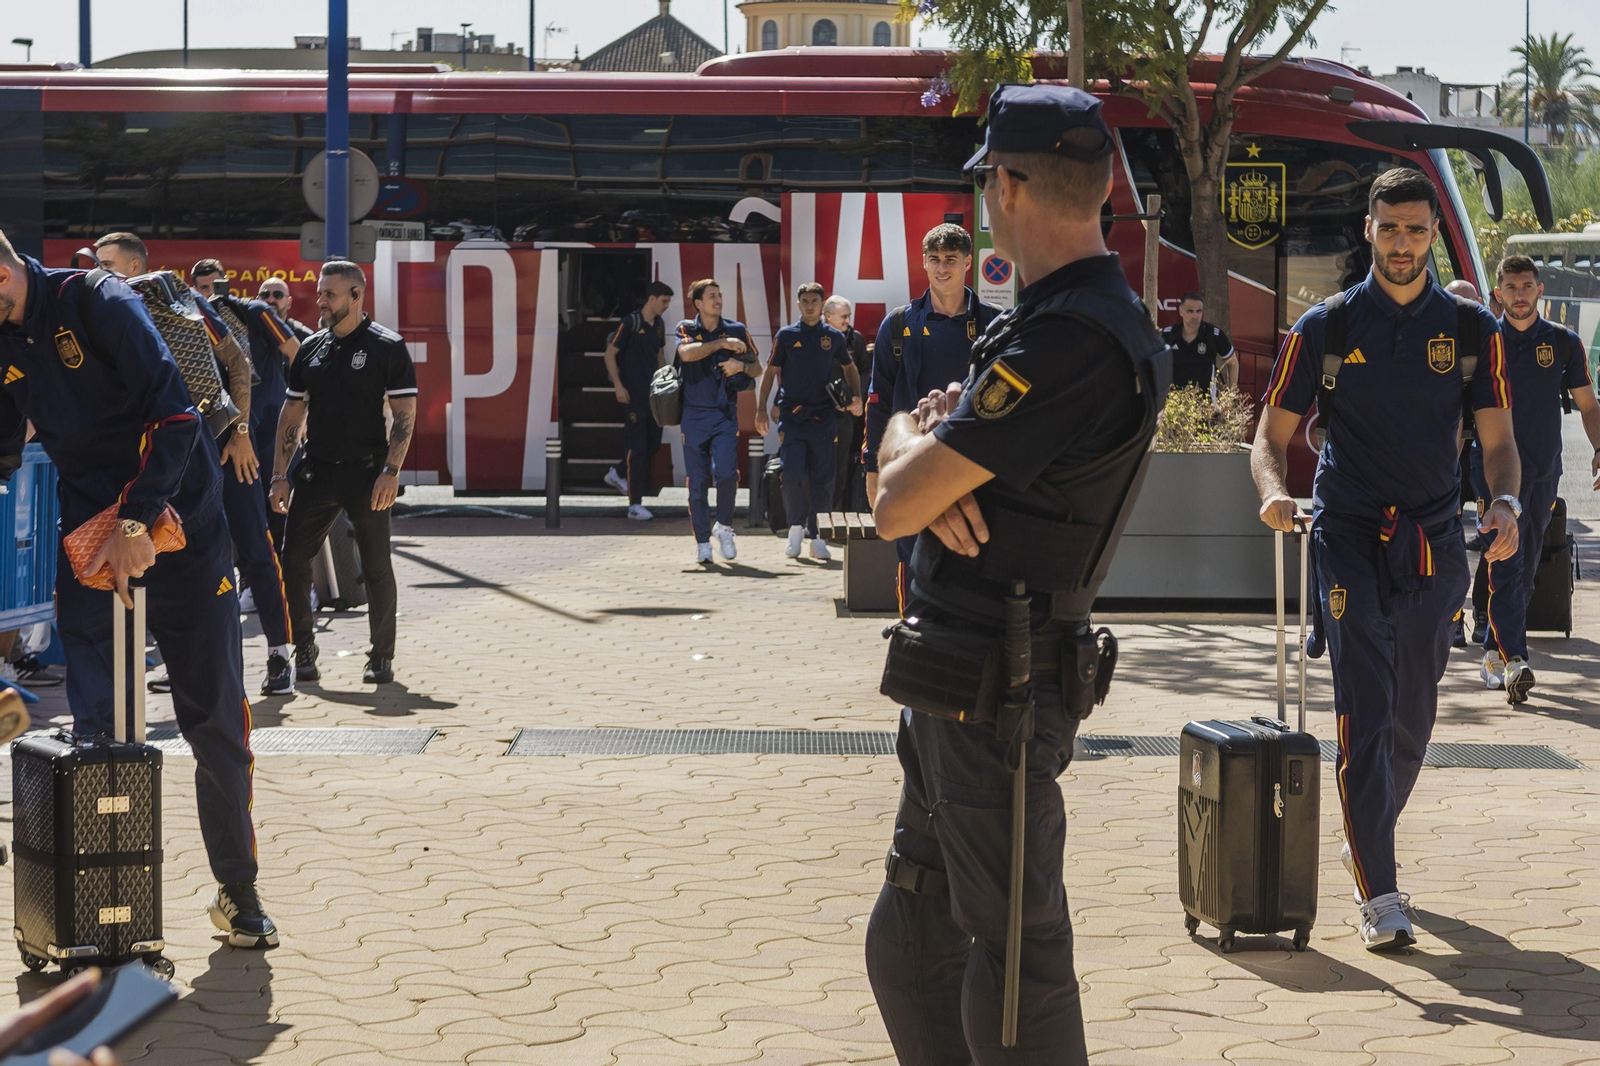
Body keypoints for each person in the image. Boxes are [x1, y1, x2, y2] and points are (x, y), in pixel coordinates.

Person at [865, 85, 1169, 1064]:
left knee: (1015, 973)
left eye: (986, 186)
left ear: (1007, 185)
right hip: (959, 682)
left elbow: (892, 503)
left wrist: (913, 443)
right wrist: (924, 440)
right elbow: (913, 475)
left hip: (998, 694)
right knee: (911, 940)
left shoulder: (1070, 339)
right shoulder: (1050, 320)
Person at [1251, 167, 1520, 952]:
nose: (1403, 244)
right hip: (1346, 533)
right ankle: (1382, 893)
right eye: (1389, 228)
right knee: (1366, 710)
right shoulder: (1326, 328)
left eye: (1416, 230)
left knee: (1413, 713)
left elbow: (1499, 445)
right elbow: (1269, 440)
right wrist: (1273, 492)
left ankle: (1366, 827)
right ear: (1367, 231)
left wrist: (1503, 504)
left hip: (1435, 541)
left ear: (1433, 235)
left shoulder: (1474, 332)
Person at [0, 228, 279, 949]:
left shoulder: (96, 299)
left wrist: (137, 518)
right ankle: (101, 910)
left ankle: (239, 893)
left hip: (179, 523)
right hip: (92, 538)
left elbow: (178, 414)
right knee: (97, 729)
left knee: (212, 712)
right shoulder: (6, 335)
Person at [269, 261, 416, 686]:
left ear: (356, 296)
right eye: (319, 293)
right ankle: (304, 648)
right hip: (316, 472)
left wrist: (391, 471)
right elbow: (291, 415)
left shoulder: (388, 347)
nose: (320, 301)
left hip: (368, 474)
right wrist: (280, 475)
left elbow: (406, 415)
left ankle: (381, 656)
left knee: (375, 566)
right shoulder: (311, 348)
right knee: (293, 559)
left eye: (329, 294)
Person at [1469, 256, 1600, 701]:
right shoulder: (1484, 342)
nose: (1520, 295)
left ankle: (1493, 652)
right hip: (1492, 474)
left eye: (1527, 286)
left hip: (1543, 473)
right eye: (1511, 287)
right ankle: (1516, 662)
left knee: (1524, 573)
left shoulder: (1562, 343)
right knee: (1505, 562)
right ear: (1498, 293)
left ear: (1540, 290)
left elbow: (1589, 406)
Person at [866, 224, 1002, 611]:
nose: (942, 268)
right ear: (924, 262)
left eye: (951, 260)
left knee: (974, 565)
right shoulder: (898, 325)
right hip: (911, 467)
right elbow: (879, 404)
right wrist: (872, 473)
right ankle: (913, 639)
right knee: (913, 568)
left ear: (968, 262)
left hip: (974, 469)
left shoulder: (994, 325)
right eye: (935, 260)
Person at [192, 258, 302, 696]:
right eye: (198, 289)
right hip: (198, 450)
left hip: (248, 451)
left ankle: (280, 654)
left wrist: (295, 418)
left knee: (258, 547)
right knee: (194, 555)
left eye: (212, 288)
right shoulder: (173, 319)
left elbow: (296, 358)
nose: (205, 296)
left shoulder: (252, 314)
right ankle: (198, 658)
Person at [755, 283, 862, 559]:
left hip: (825, 417)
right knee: (791, 474)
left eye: (815, 300)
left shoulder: (833, 337)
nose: (810, 305)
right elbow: (769, 372)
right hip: (793, 417)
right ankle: (794, 528)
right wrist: (761, 408)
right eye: (805, 301)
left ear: (821, 303)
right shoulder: (787, 335)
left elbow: (850, 368)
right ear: (798, 304)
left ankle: (818, 537)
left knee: (823, 479)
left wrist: (857, 397)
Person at [674, 279, 758, 564]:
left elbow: (758, 367)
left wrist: (740, 365)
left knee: (726, 474)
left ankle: (723, 527)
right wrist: (721, 344)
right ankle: (702, 543)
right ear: (698, 303)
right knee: (697, 483)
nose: (719, 300)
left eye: (720, 295)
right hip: (693, 414)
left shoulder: (737, 329)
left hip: (724, 414)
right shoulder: (686, 328)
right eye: (712, 296)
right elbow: (686, 353)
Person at [600, 280, 674, 520]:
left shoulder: (659, 325)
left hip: (653, 395)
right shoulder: (630, 322)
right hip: (632, 395)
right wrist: (618, 386)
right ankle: (634, 504)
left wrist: (666, 384)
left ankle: (618, 473)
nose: (666, 306)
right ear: (652, 299)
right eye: (664, 301)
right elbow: (610, 355)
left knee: (653, 445)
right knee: (638, 448)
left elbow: (660, 354)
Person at [823, 294, 871, 510]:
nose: (847, 321)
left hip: (846, 414)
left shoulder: (855, 339)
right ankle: (814, 516)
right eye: (842, 317)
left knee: (842, 465)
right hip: (820, 412)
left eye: (848, 316)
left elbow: (864, 372)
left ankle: (836, 513)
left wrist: (857, 399)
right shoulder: (817, 337)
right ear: (827, 317)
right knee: (819, 464)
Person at [1161, 291, 1238, 391]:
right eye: (1190, 311)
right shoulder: (1168, 335)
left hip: (1206, 403)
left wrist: (1231, 394)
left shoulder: (1213, 334)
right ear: (1181, 311)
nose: (1195, 315)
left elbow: (1233, 362)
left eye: (1199, 311)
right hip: (1174, 402)